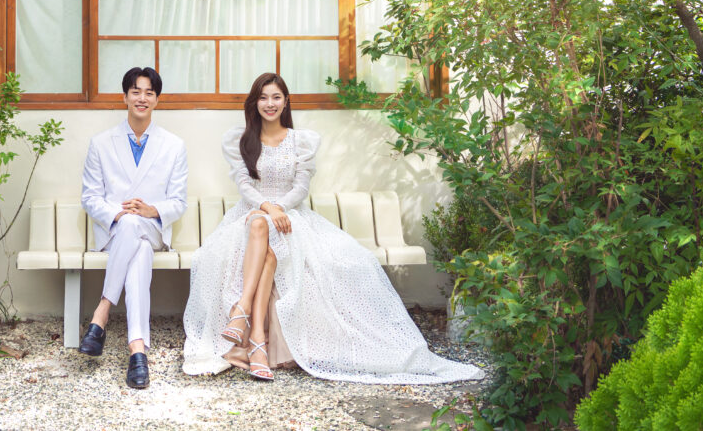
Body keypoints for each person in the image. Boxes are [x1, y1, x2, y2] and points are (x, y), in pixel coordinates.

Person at [181, 71, 484, 384]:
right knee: (258, 225)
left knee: (279, 252)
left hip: (290, 216)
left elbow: (301, 187)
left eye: (276, 97)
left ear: (285, 101)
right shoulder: (240, 140)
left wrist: (280, 209)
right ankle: (256, 337)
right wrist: (268, 208)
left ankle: (243, 316)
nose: (269, 103)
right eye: (263, 97)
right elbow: (244, 185)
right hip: (252, 212)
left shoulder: (301, 141)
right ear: (254, 102)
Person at [78, 66, 189, 389]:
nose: (142, 98)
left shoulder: (174, 145)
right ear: (125, 97)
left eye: (149, 93)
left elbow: (178, 202)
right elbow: (90, 197)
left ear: (157, 100)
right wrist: (117, 214)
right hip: (116, 231)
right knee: (135, 244)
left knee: (137, 228)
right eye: (136, 91)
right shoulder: (101, 143)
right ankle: (137, 351)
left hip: (153, 228)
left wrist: (152, 209)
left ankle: (102, 313)